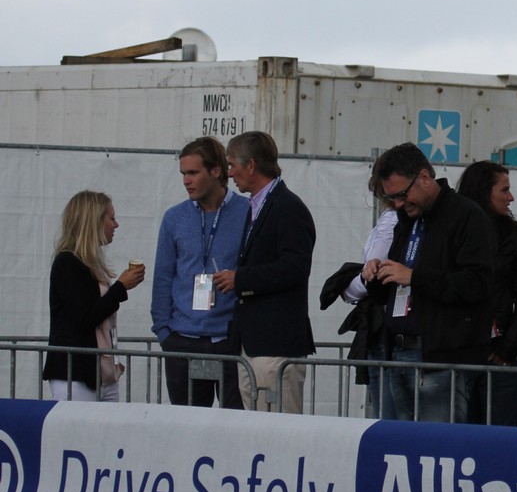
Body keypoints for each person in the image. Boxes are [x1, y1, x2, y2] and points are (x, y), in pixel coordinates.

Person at [367, 143, 495, 423]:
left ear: (424, 177)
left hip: (440, 358)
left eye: (402, 195)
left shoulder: (467, 216)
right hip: (398, 352)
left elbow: (478, 284)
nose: (398, 204)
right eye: (391, 198)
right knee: (402, 444)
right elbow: (392, 288)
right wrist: (376, 275)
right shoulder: (407, 219)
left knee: (437, 444)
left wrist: (414, 277)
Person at [213, 131, 315, 414]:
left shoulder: (288, 207)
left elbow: (296, 267)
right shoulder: (257, 207)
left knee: (279, 429)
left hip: (276, 344)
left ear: (251, 165)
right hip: (253, 343)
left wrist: (240, 279)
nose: (230, 173)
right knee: (256, 427)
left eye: (232, 165)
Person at [151, 137, 248, 409]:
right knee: (187, 426)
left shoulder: (247, 212)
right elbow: (163, 277)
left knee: (234, 424)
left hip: (230, 341)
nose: (186, 181)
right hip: (182, 341)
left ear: (216, 171)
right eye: (183, 173)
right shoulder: (174, 217)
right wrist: (165, 334)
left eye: (193, 172)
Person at [44, 190, 146, 401]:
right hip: (75, 374)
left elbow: (99, 322)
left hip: (102, 375)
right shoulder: (67, 263)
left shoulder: (90, 263)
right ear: (94, 221)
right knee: (76, 424)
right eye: (112, 218)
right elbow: (84, 317)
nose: (116, 225)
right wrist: (120, 287)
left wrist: (110, 361)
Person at [457, 160, 517, 427]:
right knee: (458, 442)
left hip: (499, 357)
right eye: (504, 190)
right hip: (459, 356)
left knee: (501, 441)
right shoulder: (453, 232)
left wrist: (508, 346)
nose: (511, 197)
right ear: (483, 191)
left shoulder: (515, 233)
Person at [319, 170, 398, 420]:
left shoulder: (391, 221)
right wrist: (357, 283)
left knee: (389, 414)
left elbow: (372, 271)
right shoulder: (389, 219)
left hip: (387, 327)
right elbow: (367, 277)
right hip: (382, 324)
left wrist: (356, 283)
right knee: (387, 410)